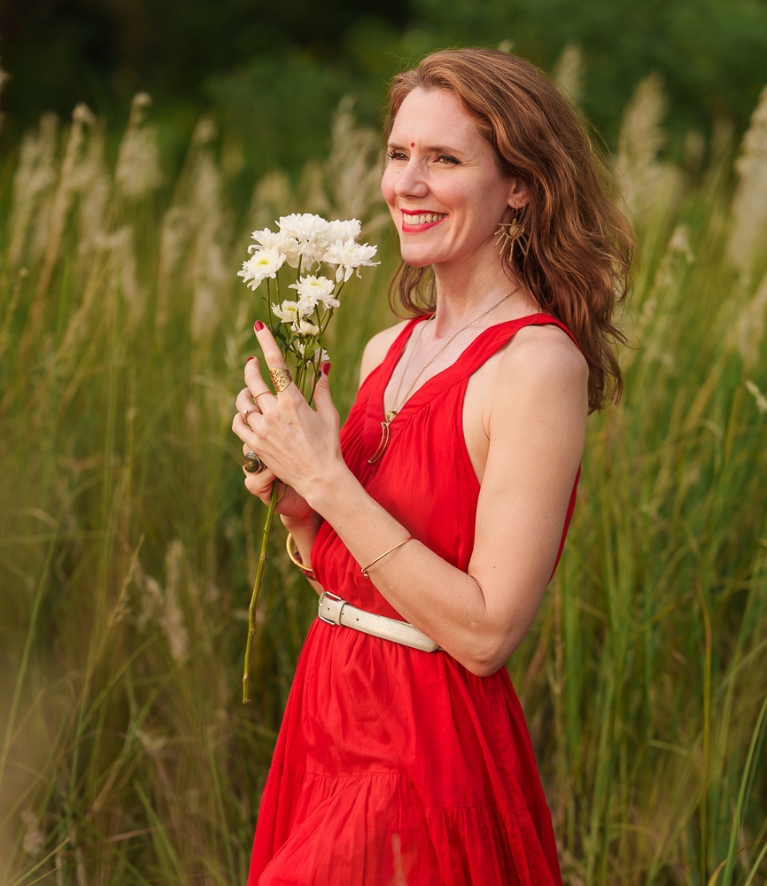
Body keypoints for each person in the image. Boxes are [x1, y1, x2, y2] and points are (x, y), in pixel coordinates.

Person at [232, 47, 634, 886]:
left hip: (420, 743)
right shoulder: (388, 347)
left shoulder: (535, 367)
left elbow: (487, 633)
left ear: (518, 183)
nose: (406, 186)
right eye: (398, 154)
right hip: (327, 713)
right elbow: (354, 573)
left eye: (444, 160)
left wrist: (331, 480)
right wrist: (299, 499)